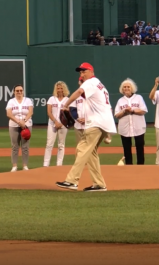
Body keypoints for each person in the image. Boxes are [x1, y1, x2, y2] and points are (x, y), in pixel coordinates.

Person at [56, 62, 116, 192]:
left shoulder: (91, 82)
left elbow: (79, 91)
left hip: (96, 123)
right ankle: (99, 184)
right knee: (91, 153)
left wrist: (65, 104)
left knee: (82, 149)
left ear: (91, 71)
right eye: (80, 72)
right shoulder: (100, 85)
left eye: (84, 71)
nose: (82, 74)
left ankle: (72, 180)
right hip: (104, 123)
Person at [114, 78, 148, 165]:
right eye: (124, 87)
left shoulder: (139, 98)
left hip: (138, 127)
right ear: (122, 89)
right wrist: (124, 111)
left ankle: (140, 166)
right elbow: (116, 115)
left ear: (132, 88)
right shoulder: (120, 101)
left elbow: (143, 110)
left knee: (140, 147)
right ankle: (129, 167)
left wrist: (132, 110)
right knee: (126, 148)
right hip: (125, 128)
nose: (126, 88)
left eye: (128, 87)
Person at [6, 84, 33, 171]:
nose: (19, 92)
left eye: (21, 90)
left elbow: (30, 112)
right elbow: (9, 114)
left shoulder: (28, 100)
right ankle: (14, 166)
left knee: (25, 146)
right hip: (14, 125)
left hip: (26, 125)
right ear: (14, 92)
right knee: (14, 146)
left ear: (23, 91)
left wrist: (24, 121)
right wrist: (18, 121)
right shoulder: (11, 101)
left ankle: (25, 165)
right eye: (17, 91)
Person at [43, 81, 70, 167]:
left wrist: (62, 123)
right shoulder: (51, 99)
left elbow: (69, 113)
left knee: (61, 145)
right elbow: (49, 112)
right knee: (49, 144)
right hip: (52, 123)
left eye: (61, 88)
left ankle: (59, 164)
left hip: (63, 125)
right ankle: (46, 164)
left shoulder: (67, 100)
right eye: (58, 88)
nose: (59, 90)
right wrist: (55, 121)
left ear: (64, 89)